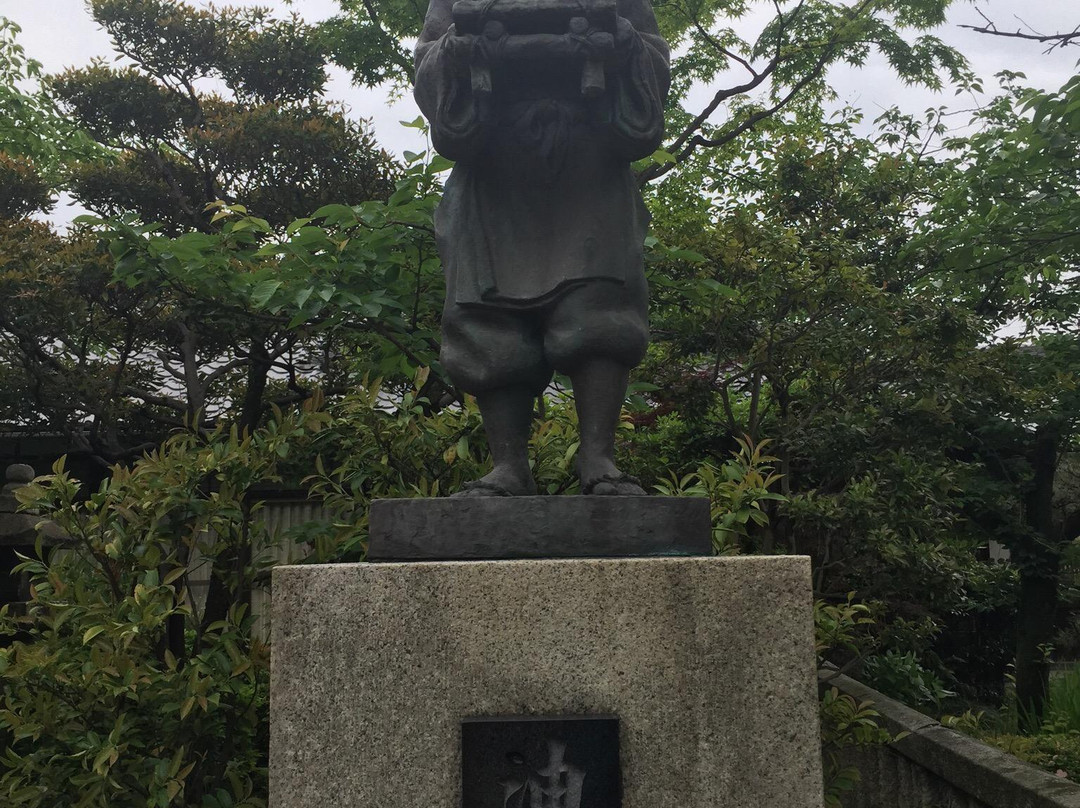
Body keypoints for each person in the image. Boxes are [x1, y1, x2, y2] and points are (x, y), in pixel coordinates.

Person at [414, 0, 670, 496]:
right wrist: (457, 51)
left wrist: (622, 45)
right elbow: (428, 60)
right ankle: (509, 466)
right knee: (487, 318)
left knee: (599, 308)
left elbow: (653, 55)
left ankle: (599, 459)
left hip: (589, 163)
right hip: (494, 170)